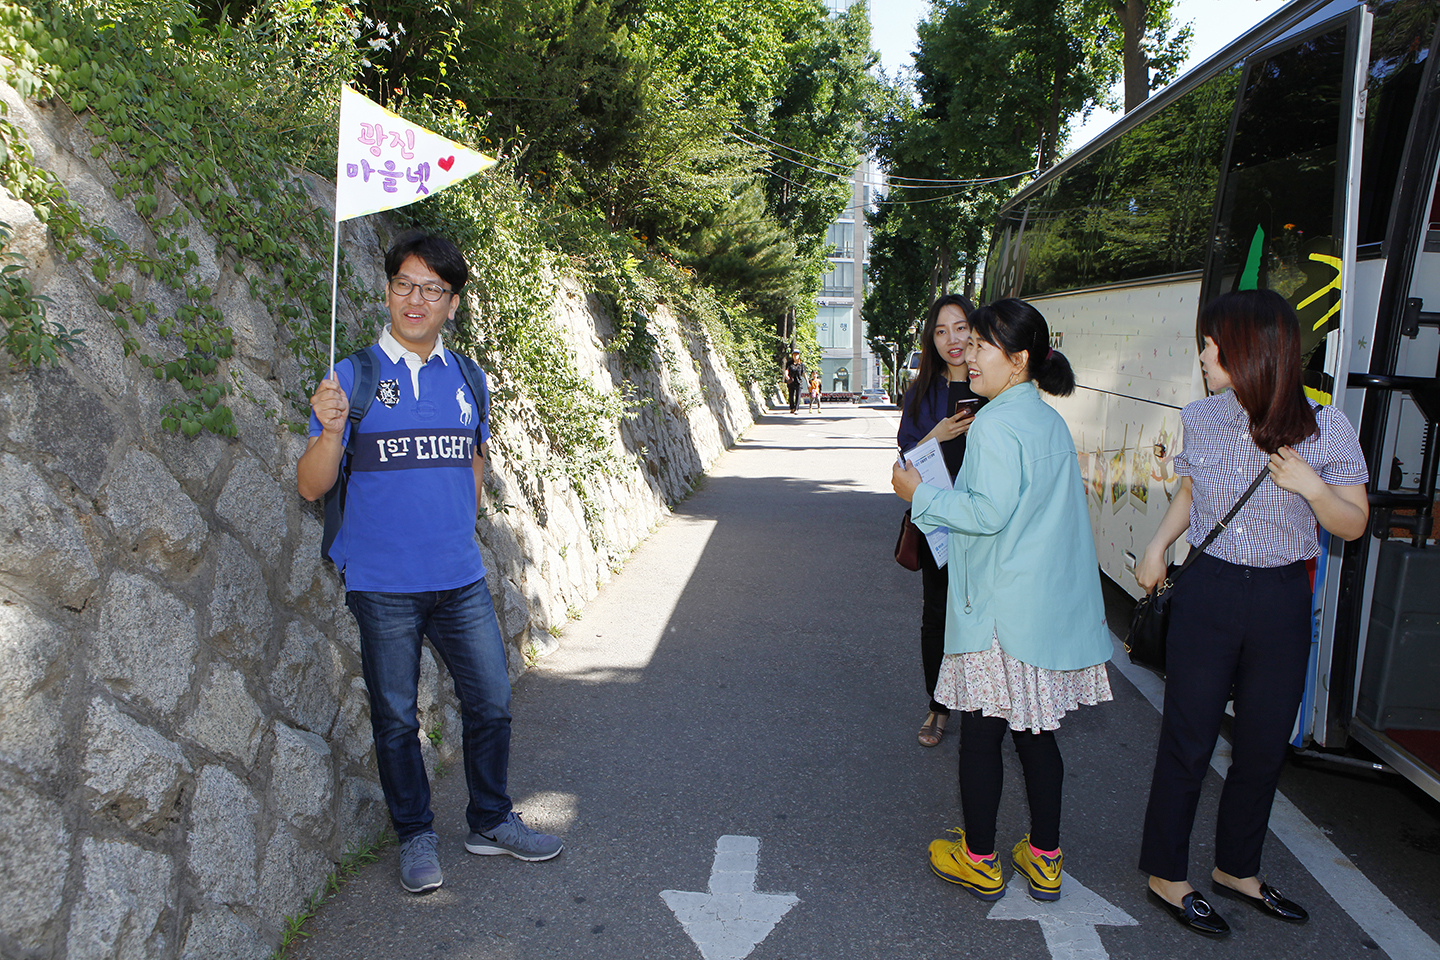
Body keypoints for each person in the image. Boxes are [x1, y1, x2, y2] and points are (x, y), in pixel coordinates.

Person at [297, 230, 563, 895]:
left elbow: (474, 460)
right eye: (404, 285)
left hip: (460, 579)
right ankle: (415, 833)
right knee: (395, 719)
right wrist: (330, 432)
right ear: (387, 291)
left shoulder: (470, 377)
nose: (416, 300)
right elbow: (310, 486)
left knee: (493, 702)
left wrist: (456, 525)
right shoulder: (351, 378)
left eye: (432, 289)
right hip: (383, 584)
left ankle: (490, 818)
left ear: (452, 303)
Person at [1135, 289, 1368, 937]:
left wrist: (1314, 488)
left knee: (1264, 746)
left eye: (1213, 347)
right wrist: (1157, 545)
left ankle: (1238, 870)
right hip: (1208, 590)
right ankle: (1167, 874)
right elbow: (1192, 492)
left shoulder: (1328, 425)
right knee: (1188, 740)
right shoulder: (1201, 416)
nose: (1204, 357)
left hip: (1280, 599)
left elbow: (1353, 524)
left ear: (1252, 351)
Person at [892, 297, 1113, 904]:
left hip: (995, 612)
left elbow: (984, 515)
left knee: (984, 736)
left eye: (983, 345)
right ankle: (1045, 857)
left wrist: (919, 494)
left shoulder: (993, 424)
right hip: (1039, 613)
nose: (969, 353)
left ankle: (981, 858)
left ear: (1017, 361)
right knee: (1035, 735)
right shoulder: (1045, 421)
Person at [896, 294, 984, 748]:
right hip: (939, 523)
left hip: (987, 522)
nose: (954, 339)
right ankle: (938, 705)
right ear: (931, 340)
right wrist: (939, 432)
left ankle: (986, 703)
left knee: (986, 613)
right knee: (937, 615)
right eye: (942, 331)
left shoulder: (991, 384)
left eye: (962, 327)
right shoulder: (923, 394)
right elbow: (904, 464)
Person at [784, 349, 806, 414]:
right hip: (791, 381)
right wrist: (786, 375)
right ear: (792, 356)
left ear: (799, 355)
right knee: (791, 395)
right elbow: (786, 370)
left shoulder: (801, 364)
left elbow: (804, 373)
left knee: (798, 395)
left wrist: (808, 382)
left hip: (799, 382)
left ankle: (796, 409)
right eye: (794, 355)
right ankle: (792, 408)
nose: (795, 356)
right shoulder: (789, 363)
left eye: (797, 354)